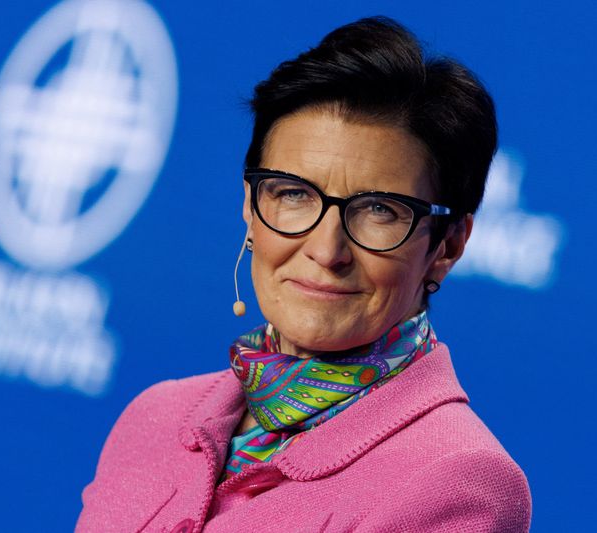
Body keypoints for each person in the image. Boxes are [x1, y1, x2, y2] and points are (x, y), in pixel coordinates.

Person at [76, 16, 531, 533]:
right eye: (293, 195)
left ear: (447, 245)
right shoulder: (155, 419)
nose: (326, 249)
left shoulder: (457, 481)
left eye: (379, 209)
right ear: (250, 207)